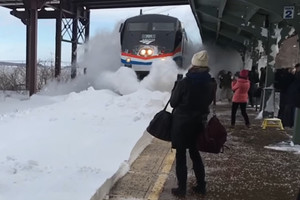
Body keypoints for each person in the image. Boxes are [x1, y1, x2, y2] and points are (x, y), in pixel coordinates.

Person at [169, 50, 216, 197]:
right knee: (195, 154)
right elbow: (209, 102)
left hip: (181, 124)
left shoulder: (184, 83)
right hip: (198, 123)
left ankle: (181, 189)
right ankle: (201, 186)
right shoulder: (211, 83)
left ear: (193, 65)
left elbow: (173, 103)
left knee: (181, 155)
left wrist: (175, 87)